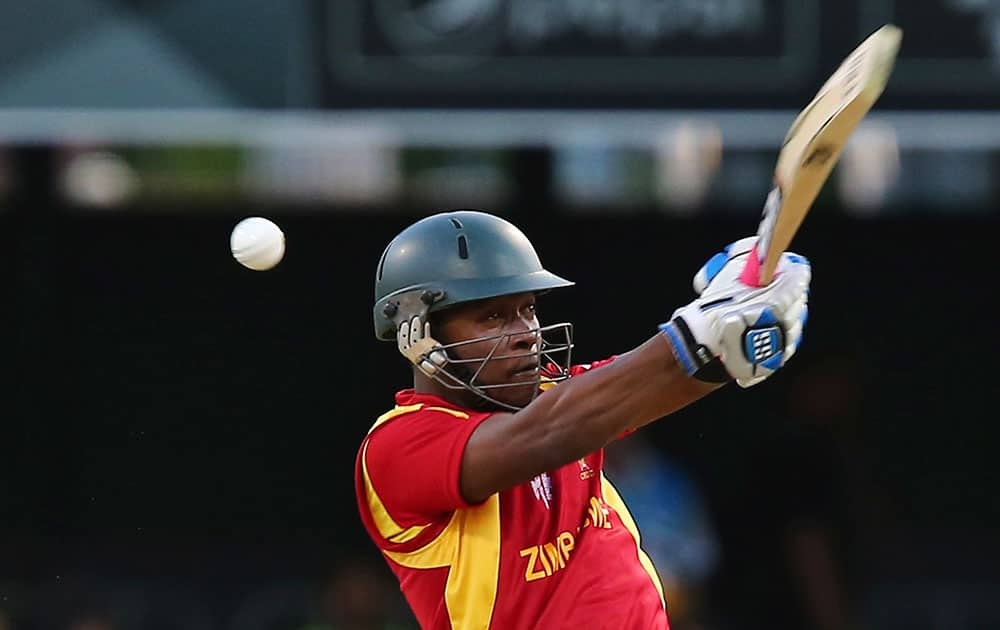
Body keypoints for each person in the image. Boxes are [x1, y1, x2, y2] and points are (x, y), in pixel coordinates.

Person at [355, 210, 811, 629]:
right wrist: (700, 330)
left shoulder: (560, 398)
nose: (525, 335)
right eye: (492, 316)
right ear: (419, 333)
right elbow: (549, 432)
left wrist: (744, 324)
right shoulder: (398, 445)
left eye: (528, 309)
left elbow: (652, 382)